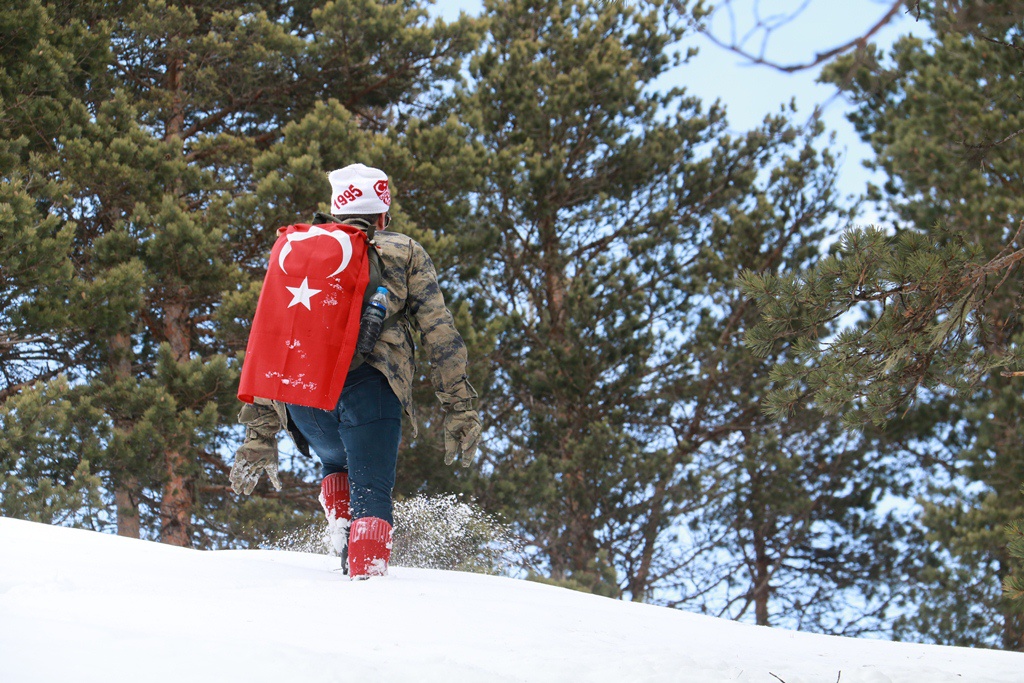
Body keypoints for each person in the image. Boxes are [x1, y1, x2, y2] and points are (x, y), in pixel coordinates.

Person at [229, 163, 482, 579]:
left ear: (335, 207)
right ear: (383, 213)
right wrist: (460, 407)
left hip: (304, 405)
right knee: (372, 494)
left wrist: (258, 434)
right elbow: (441, 332)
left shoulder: (298, 250)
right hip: (370, 388)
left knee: (340, 465)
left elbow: (271, 338)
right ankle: (367, 587)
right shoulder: (402, 249)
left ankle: (342, 552)